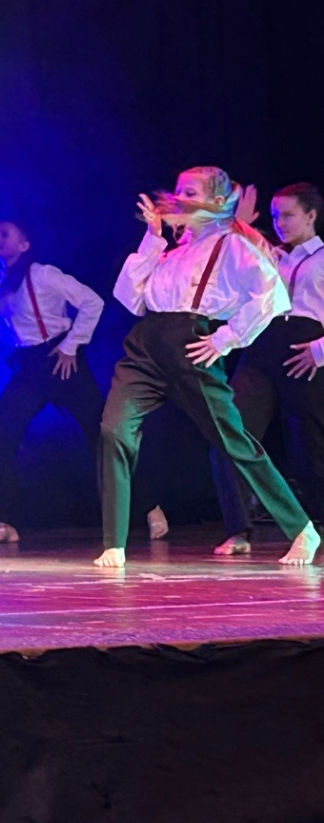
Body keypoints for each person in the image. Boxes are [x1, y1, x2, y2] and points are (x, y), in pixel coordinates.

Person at [94, 167, 319, 569]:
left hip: (191, 346)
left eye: (190, 192)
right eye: (178, 190)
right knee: (114, 429)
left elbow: (271, 294)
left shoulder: (231, 245)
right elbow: (131, 298)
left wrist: (225, 338)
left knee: (233, 441)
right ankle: (114, 543)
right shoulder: (173, 250)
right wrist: (153, 237)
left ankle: (301, 528)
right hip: (146, 346)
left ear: (215, 202)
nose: (178, 198)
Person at [0, 220, 107, 546]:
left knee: (102, 433)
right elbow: (10, 335)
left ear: (24, 245)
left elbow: (92, 302)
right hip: (29, 364)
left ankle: (146, 507)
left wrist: (71, 345)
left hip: (60, 357)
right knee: (1, 435)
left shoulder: (43, 274)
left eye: (5, 234)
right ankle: (6, 521)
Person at [229, 183, 324, 535]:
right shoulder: (271, 254)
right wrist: (238, 224)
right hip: (264, 343)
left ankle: (315, 519)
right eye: (274, 216)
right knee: (235, 426)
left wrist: (319, 351)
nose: (279, 223)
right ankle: (238, 524)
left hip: (304, 348)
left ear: (311, 215)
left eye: (288, 215)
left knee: (307, 440)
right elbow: (237, 260)